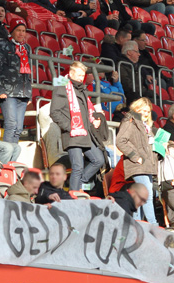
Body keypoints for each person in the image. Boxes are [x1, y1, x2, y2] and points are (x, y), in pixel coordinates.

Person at [51, 61, 106, 195]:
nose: (81, 78)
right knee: (77, 166)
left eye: (83, 75)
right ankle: (73, 195)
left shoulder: (82, 90)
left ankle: (77, 184)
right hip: (72, 134)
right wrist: (70, 127)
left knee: (98, 160)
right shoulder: (62, 88)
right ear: (70, 74)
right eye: (79, 75)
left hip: (85, 133)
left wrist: (93, 119)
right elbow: (54, 112)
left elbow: (87, 111)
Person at [0, 22, 33, 147]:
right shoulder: (2, 45)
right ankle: (5, 161)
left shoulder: (26, 48)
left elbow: (28, 73)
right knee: (11, 125)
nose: (21, 33)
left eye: (23, 31)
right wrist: (0, 89)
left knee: (19, 128)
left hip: (23, 93)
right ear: (11, 31)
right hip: (7, 92)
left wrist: (28, 93)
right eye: (18, 30)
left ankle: (12, 161)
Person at [117, 97, 159, 225]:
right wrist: (136, 157)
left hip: (147, 166)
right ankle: (153, 224)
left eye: (148, 112)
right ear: (136, 109)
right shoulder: (130, 121)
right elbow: (120, 141)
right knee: (147, 195)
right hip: (137, 165)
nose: (146, 114)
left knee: (142, 197)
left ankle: (136, 224)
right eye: (143, 111)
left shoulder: (145, 126)